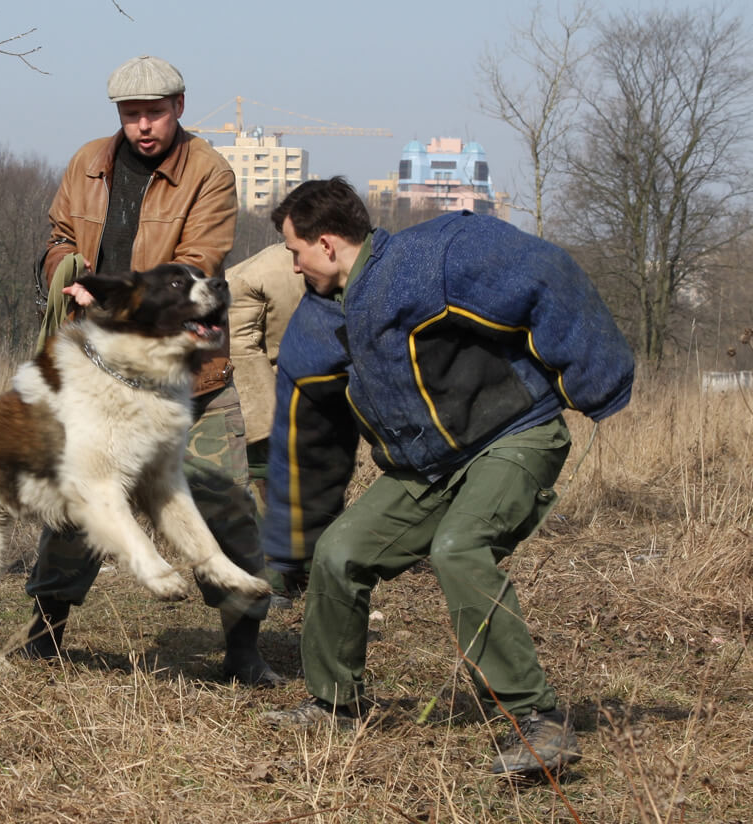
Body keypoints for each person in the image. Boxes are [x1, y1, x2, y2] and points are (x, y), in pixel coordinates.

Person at [258, 177, 634, 777]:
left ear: (326, 245)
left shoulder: (430, 260)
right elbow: (308, 438)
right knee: (340, 553)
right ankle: (334, 705)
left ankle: (535, 721)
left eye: (295, 252)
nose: (295, 267)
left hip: (516, 435)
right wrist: (289, 545)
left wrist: (596, 379)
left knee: (459, 548)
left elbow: (543, 270)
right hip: (427, 468)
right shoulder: (317, 324)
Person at [24, 55, 281, 686]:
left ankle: (243, 646)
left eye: (155, 113)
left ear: (180, 107)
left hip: (192, 373)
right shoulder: (87, 162)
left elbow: (197, 266)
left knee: (225, 502)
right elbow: (58, 234)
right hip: (95, 371)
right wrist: (69, 272)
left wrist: (116, 296)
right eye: (131, 114)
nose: (143, 126)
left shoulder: (210, 173)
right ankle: (46, 632)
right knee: (79, 498)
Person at [224, 243, 304, 520]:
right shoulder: (256, 276)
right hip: (268, 398)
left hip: (281, 393)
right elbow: (238, 347)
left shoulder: (260, 269)